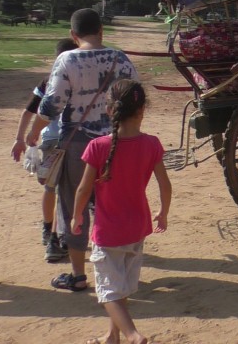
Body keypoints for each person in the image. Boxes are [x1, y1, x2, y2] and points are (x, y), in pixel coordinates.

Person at [30, 8, 138, 292]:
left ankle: (78, 275)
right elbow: (136, 99)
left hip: (79, 143)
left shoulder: (67, 59)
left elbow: (51, 105)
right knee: (112, 205)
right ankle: (118, 269)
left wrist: (31, 132)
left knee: (72, 206)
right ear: (101, 30)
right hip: (116, 141)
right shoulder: (121, 59)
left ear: (73, 35)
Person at [72, 79, 171, 344]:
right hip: (137, 229)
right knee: (121, 286)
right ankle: (112, 335)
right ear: (142, 112)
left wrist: (76, 215)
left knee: (108, 292)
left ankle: (132, 335)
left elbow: (83, 190)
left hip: (108, 232)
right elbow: (165, 184)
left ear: (109, 110)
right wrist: (163, 212)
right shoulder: (152, 144)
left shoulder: (98, 146)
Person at [10, 38, 78, 262]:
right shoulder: (84, 78)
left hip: (50, 142)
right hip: (75, 141)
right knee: (70, 193)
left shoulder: (48, 81)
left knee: (51, 189)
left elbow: (28, 111)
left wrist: (21, 138)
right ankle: (61, 238)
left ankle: (48, 230)